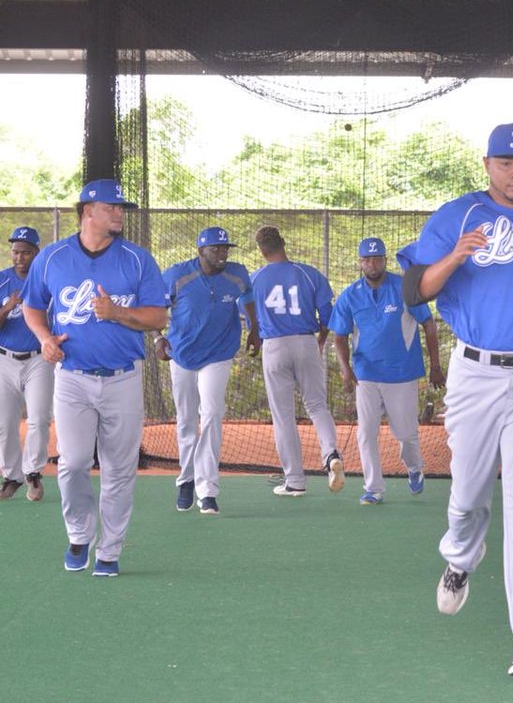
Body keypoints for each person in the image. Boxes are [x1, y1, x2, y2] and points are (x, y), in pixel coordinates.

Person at [402, 123, 513, 680]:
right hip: (476, 374)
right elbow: (415, 291)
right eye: (506, 161)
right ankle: (458, 559)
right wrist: (455, 256)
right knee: (470, 492)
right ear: (487, 164)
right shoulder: (458, 215)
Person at [22, 179, 169, 577]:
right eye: (112, 206)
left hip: (123, 378)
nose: (120, 213)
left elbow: (159, 317)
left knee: (119, 469)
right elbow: (34, 307)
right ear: (88, 211)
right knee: (71, 464)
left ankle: (110, 549)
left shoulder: (137, 260)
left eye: (122, 207)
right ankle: (79, 534)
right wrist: (45, 338)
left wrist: (117, 313)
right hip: (72, 377)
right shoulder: (52, 258)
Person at [330, 236, 444, 506]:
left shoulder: (404, 288)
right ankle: (373, 488)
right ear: (360, 262)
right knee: (366, 432)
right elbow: (339, 336)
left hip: (402, 373)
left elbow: (428, 324)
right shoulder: (350, 295)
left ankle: (414, 467)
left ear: (384, 260)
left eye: (377, 258)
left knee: (405, 434)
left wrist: (435, 366)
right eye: (367, 259)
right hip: (366, 374)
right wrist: (346, 370)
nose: (372, 263)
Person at [156, 226, 260, 515]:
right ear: (201, 251)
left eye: (226, 248)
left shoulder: (237, 274)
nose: (222, 253)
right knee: (186, 420)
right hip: (182, 354)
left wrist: (254, 329)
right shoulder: (178, 275)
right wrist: (158, 337)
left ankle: (208, 490)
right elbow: (155, 309)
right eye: (216, 249)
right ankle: (186, 479)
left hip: (219, 353)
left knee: (212, 413)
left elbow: (248, 297)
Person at [249, 225, 344, 497]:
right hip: (306, 341)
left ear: (262, 250)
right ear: (283, 243)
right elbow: (328, 317)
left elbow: (248, 318)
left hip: (274, 346)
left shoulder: (255, 279)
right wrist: (321, 339)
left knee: (283, 417)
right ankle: (331, 455)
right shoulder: (309, 274)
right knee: (316, 405)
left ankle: (295, 481)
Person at [0, 227, 53, 502]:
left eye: (25, 252)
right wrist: (7, 308)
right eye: (15, 252)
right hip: (4, 358)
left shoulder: (46, 281)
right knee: (5, 422)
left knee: (39, 418)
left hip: (38, 359)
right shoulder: (2, 280)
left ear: (36, 253)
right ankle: (12, 476)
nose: (19, 257)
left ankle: (33, 473)